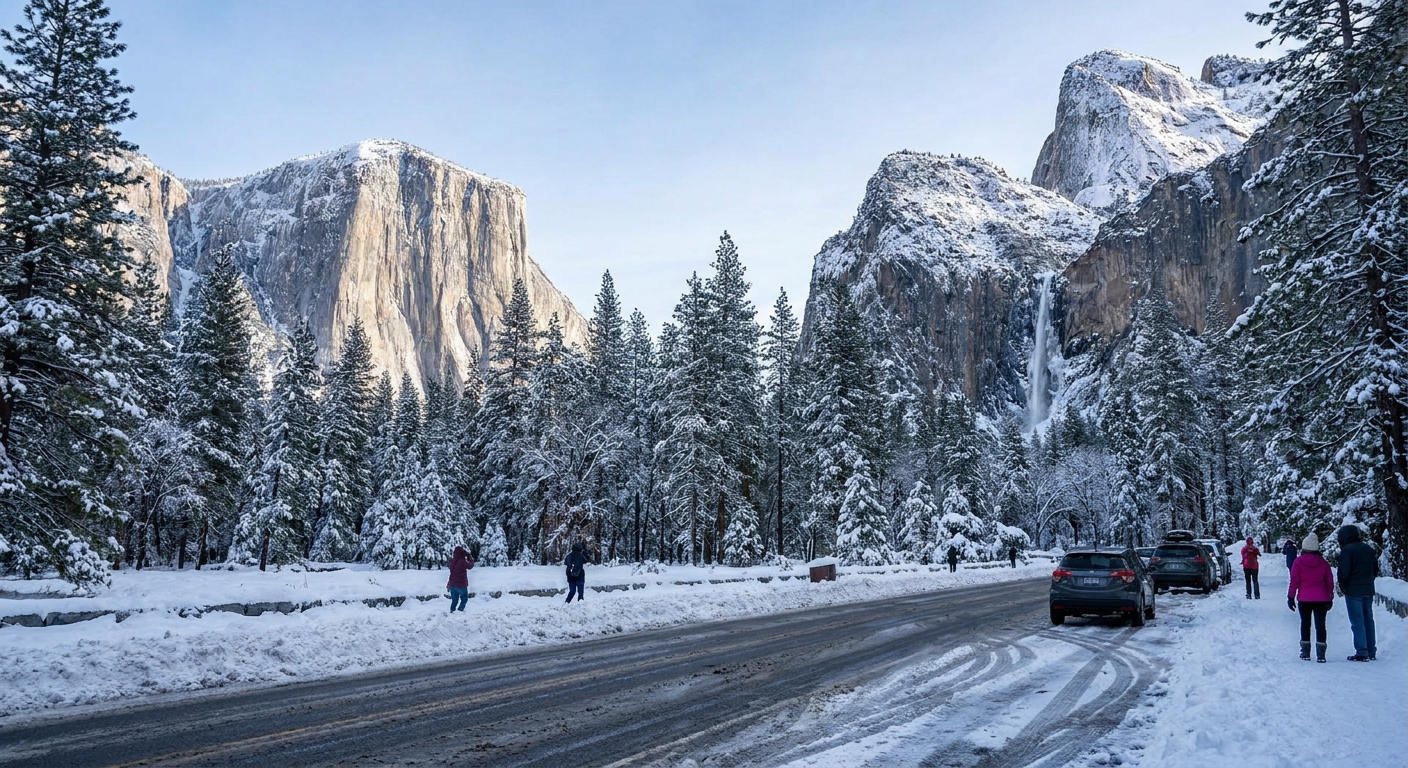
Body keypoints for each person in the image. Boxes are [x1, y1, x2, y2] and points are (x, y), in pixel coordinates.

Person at [1287, 533, 1333, 662]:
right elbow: (1329, 582)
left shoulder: (1298, 562)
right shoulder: (1324, 563)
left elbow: (1294, 581)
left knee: (1305, 624)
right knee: (1321, 626)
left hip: (1304, 598)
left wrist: (1291, 597)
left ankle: (1306, 652)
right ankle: (1321, 655)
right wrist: (1330, 597)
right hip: (1322, 598)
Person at [1336, 525, 1378, 661]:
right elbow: (1375, 569)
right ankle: (1371, 650)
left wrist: (1342, 584)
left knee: (1357, 621)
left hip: (1353, 590)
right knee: (1368, 620)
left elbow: (1344, 571)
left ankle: (1362, 651)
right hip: (1368, 588)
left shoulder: (1347, 551)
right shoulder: (1369, 549)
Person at [447, 545, 474, 613]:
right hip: (461, 584)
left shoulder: (452, 561)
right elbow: (470, 566)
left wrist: (449, 583)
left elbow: (452, 573)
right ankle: (460, 611)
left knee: (454, 600)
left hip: (452, 584)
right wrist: (469, 557)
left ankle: (452, 611)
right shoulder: (462, 562)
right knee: (464, 598)